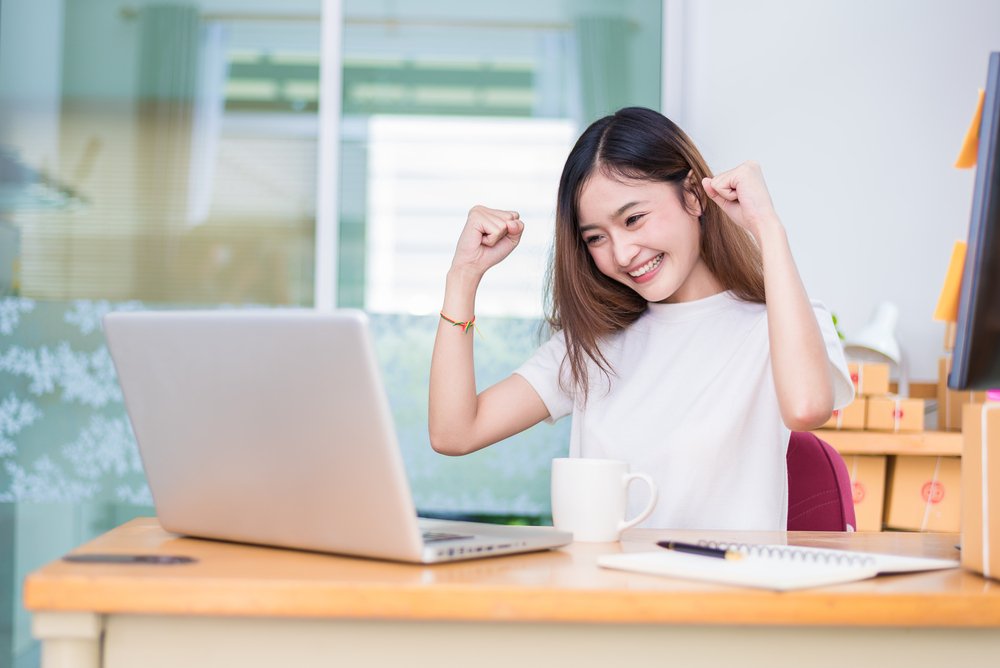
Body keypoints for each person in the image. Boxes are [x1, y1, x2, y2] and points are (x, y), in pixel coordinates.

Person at [428, 106, 853, 530]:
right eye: (596, 237)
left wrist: (767, 226)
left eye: (633, 219)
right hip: (607, 593)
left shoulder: (779, 325)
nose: (622, 253)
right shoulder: (594, 346)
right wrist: (463, 277)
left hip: (726, 592)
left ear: (692, 194)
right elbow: (454, 433)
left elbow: (806, 408)